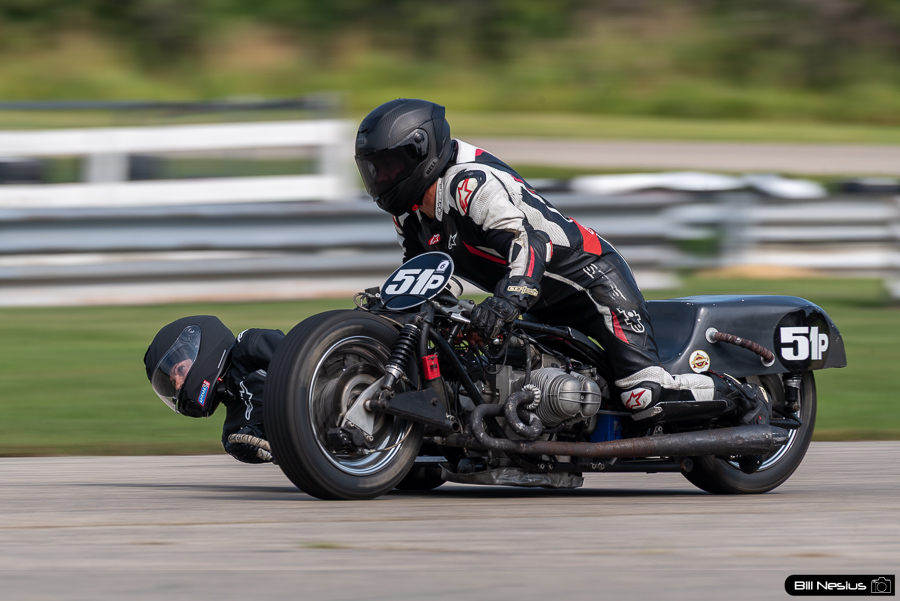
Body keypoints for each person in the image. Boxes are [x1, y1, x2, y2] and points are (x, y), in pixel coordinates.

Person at [354, 98, 769, 425]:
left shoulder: (470, 183)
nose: (382, 179)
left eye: (389, 167)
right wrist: (390, 306)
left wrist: (505, 301)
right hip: (535, 301)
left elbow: (527, 242)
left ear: (420, 152)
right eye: (374, 169)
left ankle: (743, 396)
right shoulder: (410, 214)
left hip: (591, 282)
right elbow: (423, 275)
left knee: (643, 396)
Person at [143, 315, 284, 463]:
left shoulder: (249, 346)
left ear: (199, 346)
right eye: (173, 383)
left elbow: (301, 359)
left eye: (181, 369)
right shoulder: (235, 433)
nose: (178, 385)